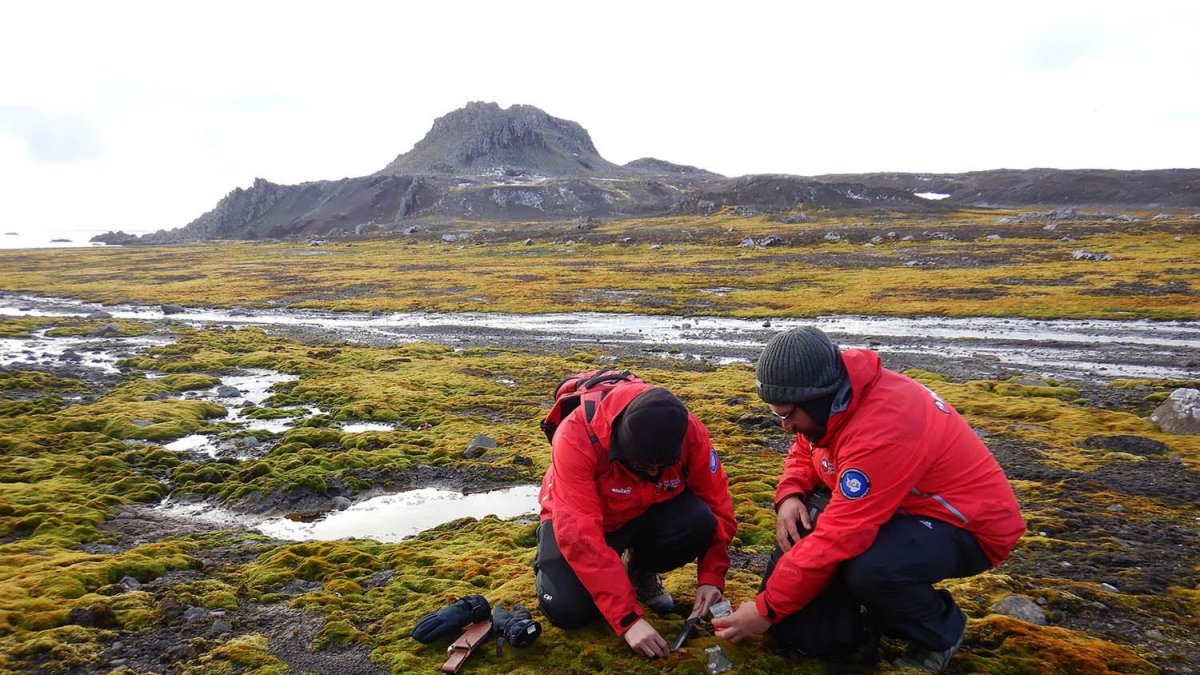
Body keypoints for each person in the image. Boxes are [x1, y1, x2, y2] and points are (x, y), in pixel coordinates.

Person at [713, 327, 1025, 673]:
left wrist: (765, 610)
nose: (785, 426)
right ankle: (877, 618)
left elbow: (839, 536)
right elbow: (807, 449)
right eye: (777, 415)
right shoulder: (836, 403)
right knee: (809, 533)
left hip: (969, 524)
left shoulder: (881, 429)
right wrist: (790, 493)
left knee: (873, 569)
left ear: (817, 398)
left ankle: (939, 632)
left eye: (788, 415)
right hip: (903, 507)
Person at [534, 383, 737, 659]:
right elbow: (579, 534)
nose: (653, 471)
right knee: (569, 610)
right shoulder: (576, 435)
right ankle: (548, 564)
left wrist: (712, 577)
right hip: (581, 521)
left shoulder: (688, 431)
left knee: (700, 520)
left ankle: (638, 570)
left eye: (661, 466)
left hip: (642, 512)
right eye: (643, 465)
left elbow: (718, 504)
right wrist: (628, 619)